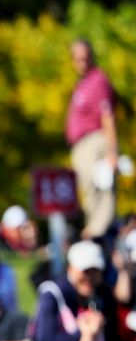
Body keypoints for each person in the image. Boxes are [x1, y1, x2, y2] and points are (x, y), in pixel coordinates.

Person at [67, 40, 118, 240]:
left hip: (96, 142)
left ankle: (98, 232)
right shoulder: (84, 82)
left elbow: (108, 117)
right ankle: (93, 229)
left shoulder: (98, 80)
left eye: (86, 57)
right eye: (78, 59)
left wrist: (112, 152)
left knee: (101, 189)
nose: (82, 62)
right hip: (83, 145)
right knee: (89, 192)